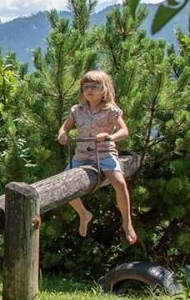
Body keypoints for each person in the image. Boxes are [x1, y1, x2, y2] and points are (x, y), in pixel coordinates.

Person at [56, 70, 138, 245]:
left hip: (104, 153)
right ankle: (84, 214)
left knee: (120, 183)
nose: (89, 89)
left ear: (104, 90)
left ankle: (127, 223)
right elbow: (64, 128)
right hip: (81, 154)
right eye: (86, 86)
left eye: (94, 86)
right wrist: (62, 135)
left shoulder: (111, 111)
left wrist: (109, 137)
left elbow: (124, 131)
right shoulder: (77, 111)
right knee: (63, 184)